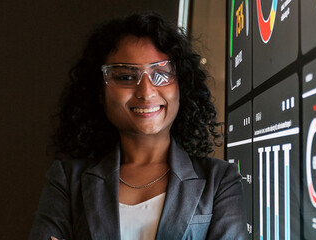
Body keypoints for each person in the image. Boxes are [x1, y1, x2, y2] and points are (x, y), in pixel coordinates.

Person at [29, 13, 247, 240]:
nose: (146, 91)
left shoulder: (220, 180)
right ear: (99, 93)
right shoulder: (67, 180)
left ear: (181, 86)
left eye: (161, 74)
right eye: (125, 77)